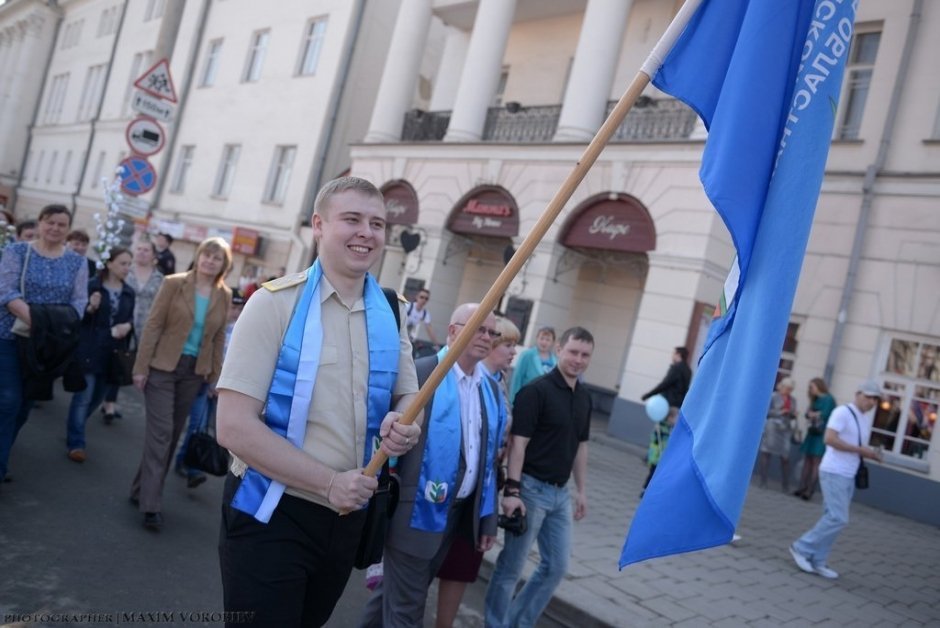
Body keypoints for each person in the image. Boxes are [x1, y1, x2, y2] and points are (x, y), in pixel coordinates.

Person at [215, 176, 422, 627]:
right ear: (319, 226)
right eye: (352, 219)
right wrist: (328, 482)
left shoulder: (391, 310)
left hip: (347, 520)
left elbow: (410, 394)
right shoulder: (272, 305)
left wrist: (405, 424)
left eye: (377, 223)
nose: (367, 232)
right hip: (272, 512)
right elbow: (232, 426)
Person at [360, 303, 507, 628]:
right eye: (478, 328)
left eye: (491, 332)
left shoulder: (491, 389)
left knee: (392, 597)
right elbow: (385, 437)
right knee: (407, 611)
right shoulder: (423, 373)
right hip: (414, 513)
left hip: (455, 515)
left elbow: (487, 461)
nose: (486, 337)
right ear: (453, 331)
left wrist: (487, 520)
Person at [485, 326, 594, 628]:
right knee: (511, 567)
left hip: (560, 494)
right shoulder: (536, 391)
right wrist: (513, 491)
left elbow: (581, 446)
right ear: (559, 349)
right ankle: (496, 624)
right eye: (573, 351)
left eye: (585, 355)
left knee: (556, 566)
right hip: (530, 490)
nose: (578, 359)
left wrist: (581, 490)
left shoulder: (584, 398)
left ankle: (518, 622)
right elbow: (518, 444)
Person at [129, 236, 232, 531]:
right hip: (162, 368)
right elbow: (153, 325)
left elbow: (218, 338)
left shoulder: (223, 294)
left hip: (193, 373)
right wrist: (140, 367)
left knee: (171, 435)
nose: (210, 261)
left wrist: (215, 376)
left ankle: (139, 489)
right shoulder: (174, 284)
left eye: (217, 258)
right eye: (206, 255)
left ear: (224, 265)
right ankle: (151, 505)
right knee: (160, 435)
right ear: (198, 257)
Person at [434, 315, 519, 628]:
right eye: (507, 344)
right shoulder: (468, 378)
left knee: (460, 568)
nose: (513, 352)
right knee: (411, 582)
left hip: (479, 490)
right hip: (442, 490)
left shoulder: (497, 384)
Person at [0, 204, 88, 483]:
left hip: (48, 348)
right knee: (9, 400)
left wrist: (51, 328)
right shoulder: (17, 252)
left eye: (61, 224)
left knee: (25, 405)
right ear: (39, 223)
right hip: (11, 337)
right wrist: (38, 320)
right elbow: (6, 290)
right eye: (49, 222)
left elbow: (79, 303)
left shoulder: (77, 262)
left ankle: (3, 453)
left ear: (67, 229)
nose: (55, 228)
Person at [789, 380, 884, 579]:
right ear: (858, 394)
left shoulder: (863, 419)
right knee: (838, 518)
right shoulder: (842, 412)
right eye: (868, 397)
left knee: (831, 517)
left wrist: (871, 453)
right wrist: (861, 451)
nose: (871, 402)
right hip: (834, 472)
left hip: (848, 474)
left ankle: (818, 560)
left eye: (875, 399)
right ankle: (801, 547)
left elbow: (854, 444)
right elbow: (829, 439)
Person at [64, 247, 134, 462]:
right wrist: (90, 308)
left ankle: (75, 426)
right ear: (110, 263)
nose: (126, 268)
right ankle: (76, 441)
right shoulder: (94, 286)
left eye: (128, 264)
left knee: (97, 398)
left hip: (112, 354)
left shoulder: (128, 292)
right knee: (84, 396)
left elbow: (129, 318)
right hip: (90, 349)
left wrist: (127, 326)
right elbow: (77, 317)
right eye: (123, 263)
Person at [174, 289, 245, 488]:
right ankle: (193, 469)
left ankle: (183, 459)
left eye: (240, 308)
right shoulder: (214, 327)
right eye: (233, 307)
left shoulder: (242, 330)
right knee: (198, 423)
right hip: (206, 384)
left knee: (212, 429)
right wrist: (212, 380)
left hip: (225, 390)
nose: (236, 312)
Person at [101, 238, 165, 423]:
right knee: (116, 358)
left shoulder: (159, 278)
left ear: (153, 255)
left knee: (127, 362)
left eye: (146, 250)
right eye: (139, 248)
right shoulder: (125, 271)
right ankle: (109, 402)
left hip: (145, 326)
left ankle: (109, 397)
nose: (142, 252)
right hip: (123, 321)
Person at [794, 377, 837, 500]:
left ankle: (810, 490)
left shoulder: (828, 399)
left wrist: (814, 414)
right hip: (812, 432)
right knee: (807, 460)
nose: (810, 389)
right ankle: (801, 487)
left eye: (812, 387)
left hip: (821, 433)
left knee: (816, 462)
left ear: (819, 386)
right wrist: (811, 414)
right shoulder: (815, 399)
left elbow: (826, 414)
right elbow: (808, 413)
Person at [758, 377, 798, 491]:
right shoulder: (773, 397)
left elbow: (794, 413)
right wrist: (781, 411)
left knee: (785, 457)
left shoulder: (793, 400)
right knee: (766, 453)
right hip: (772, 428)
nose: (789, 391)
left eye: (791, 389)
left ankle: (785, 484)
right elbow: (766, 412)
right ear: (782, 386)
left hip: (785, 428)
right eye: (787, 388)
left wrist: (793, 414)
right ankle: (763, 481)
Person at [509, 325, 556, 403]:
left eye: (548, 340)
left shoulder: (556, 360)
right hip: (526, 400)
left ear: (552, 342)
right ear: (537, 339)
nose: (544, 342)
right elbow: (517, 378)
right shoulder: (527, 355)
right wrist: (513, 401)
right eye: (542, 338)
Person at [641, 346, 692, 411]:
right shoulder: (688, 370)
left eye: (674, 354)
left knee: (665, 420)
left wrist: (648, 395)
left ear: (678, 355)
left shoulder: (676, 368)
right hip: (679, 404)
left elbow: (665, 384)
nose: (672, 356)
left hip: (669, 403)